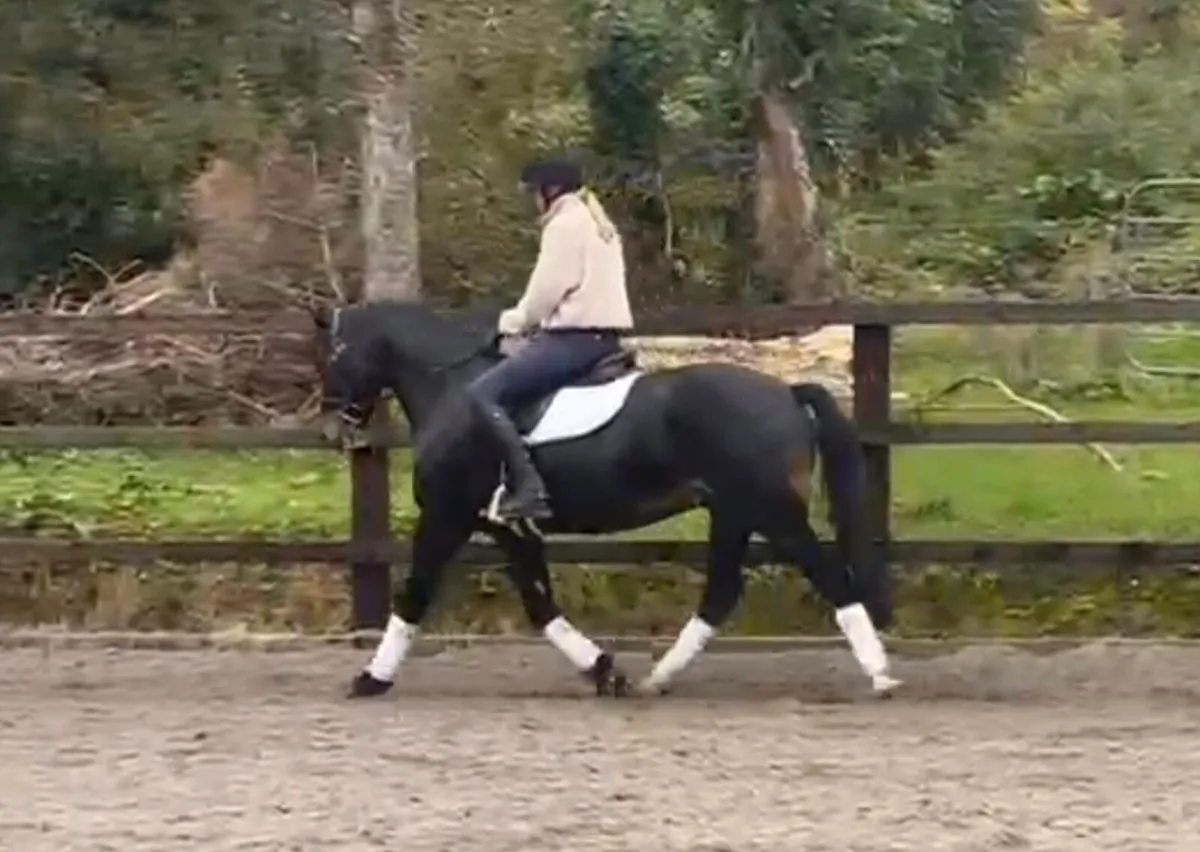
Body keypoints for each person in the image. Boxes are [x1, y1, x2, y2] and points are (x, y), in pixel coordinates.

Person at [466, 158, 634, 522]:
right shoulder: (598, 222)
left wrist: (510, 321)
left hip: (572, 340)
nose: (533, 201)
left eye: (534, 193)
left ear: (550, 190)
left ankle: (528, 488)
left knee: (482, 393)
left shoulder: (565, 226)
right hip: (605, 338)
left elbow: (545, 293)